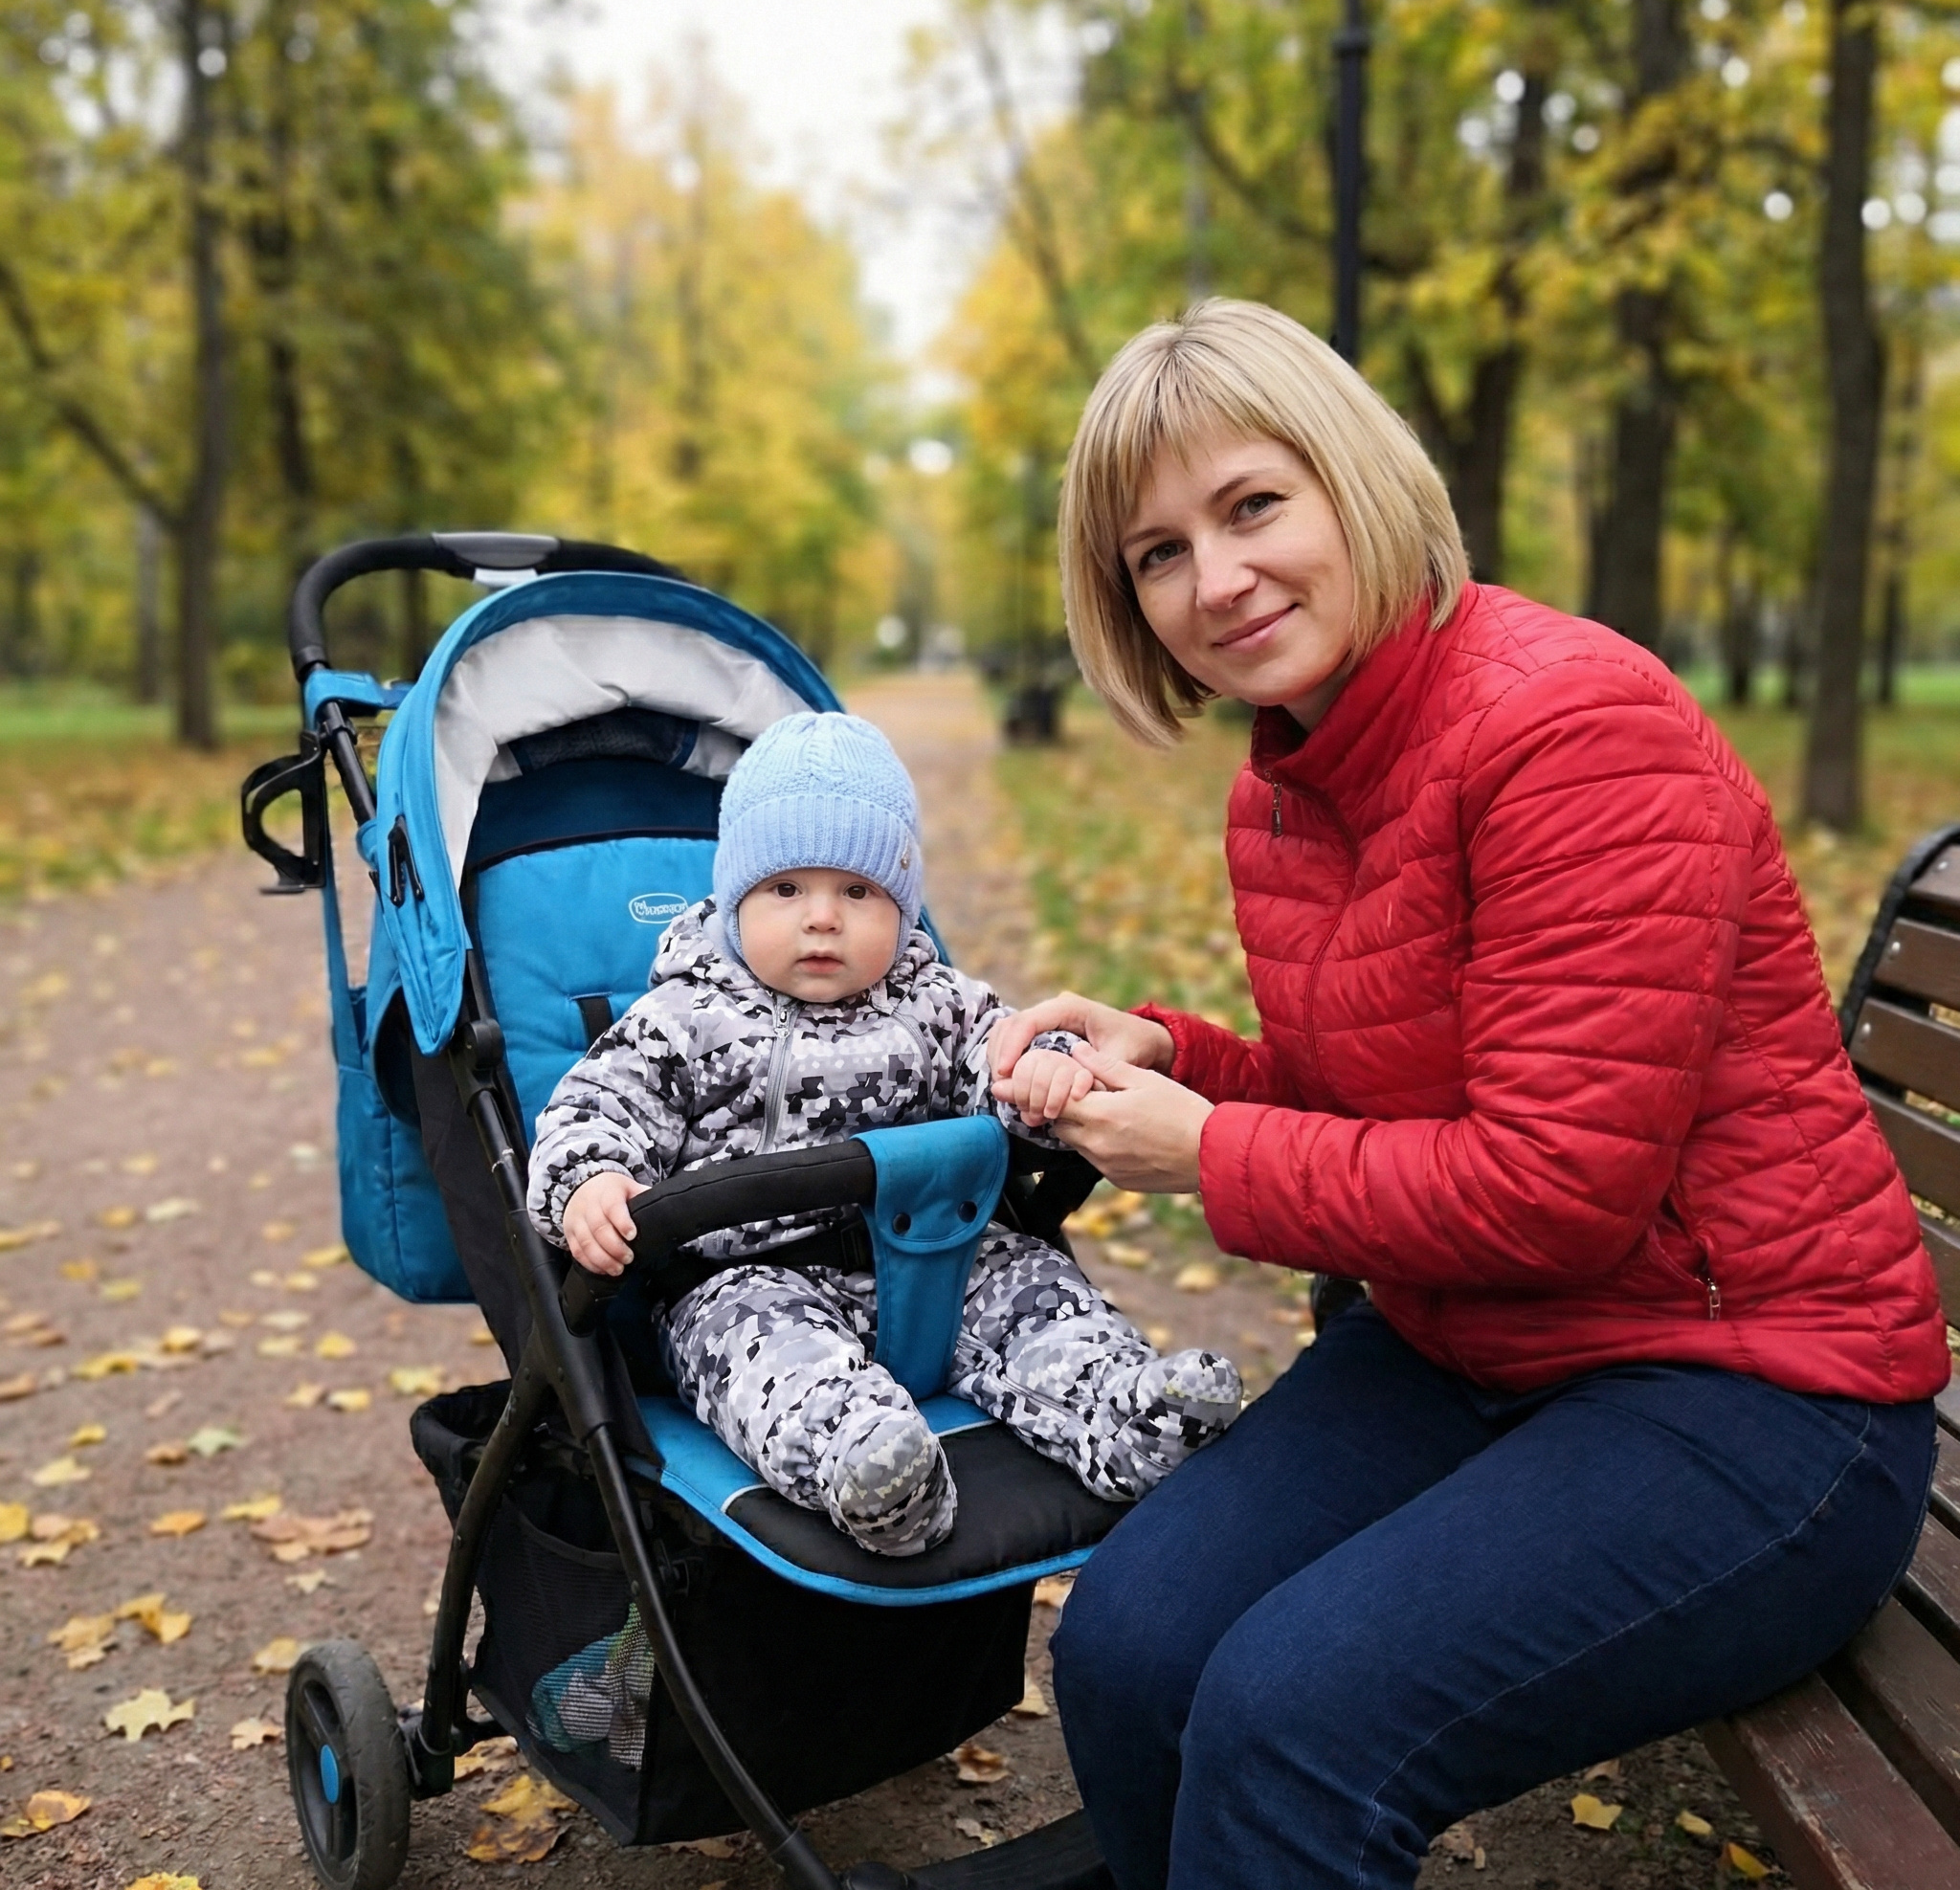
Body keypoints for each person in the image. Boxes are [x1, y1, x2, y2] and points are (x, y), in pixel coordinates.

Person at [987, 298, 1948, 1890]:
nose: (1215, 579)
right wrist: (1173, 1057)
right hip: (1477, 1340)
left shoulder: (1573, 729)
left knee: (1292, 1721)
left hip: (1759, 1394)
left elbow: (1557, 1190)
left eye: (1251, 505)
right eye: (1157, 552)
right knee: (1131, 1642)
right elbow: (1371, 1104)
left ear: (1353, 480)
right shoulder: (1288, 784)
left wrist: (1208, 1152)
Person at [526, 709, 1241, 1563]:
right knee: (764, 1363)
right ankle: (871, 1471)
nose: (822, 918)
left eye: (858, 892)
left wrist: (1044, 1072)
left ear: (902, 907)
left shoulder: (934, 1000)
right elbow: (595, 1105)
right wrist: (590, 1180)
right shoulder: (684, 1018)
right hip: (752, 1281)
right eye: (786, 890)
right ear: (733, 898)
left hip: (937, 1255)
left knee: (1036, 1291)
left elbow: (1000, 1052)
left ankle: (1123, 1412)